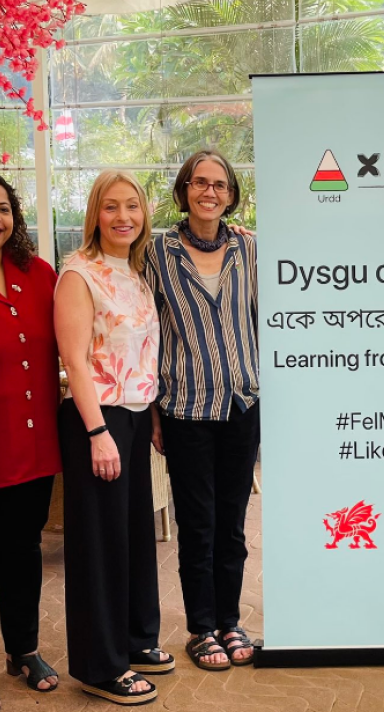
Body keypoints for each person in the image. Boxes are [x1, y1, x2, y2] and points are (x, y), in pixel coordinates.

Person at [55, 170, 174, 705]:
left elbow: (138, 354)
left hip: (130, 417)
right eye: (111, 206)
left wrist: (146, 415)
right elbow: (76, 362)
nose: (123, 216)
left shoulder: (136, 272)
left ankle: (134, 639)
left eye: (133, 205)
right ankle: (101, 666)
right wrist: (98, 432)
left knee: (131, 535)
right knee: (98, 547)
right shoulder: (78, 274)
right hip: (95, 419)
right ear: (94, 215)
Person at [145, 150, 260, 671]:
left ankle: (230, 621)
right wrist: (151, 411)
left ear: (232, 194)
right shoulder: (156, 252)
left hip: (243, 403)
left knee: (232, 522)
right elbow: (144, 333)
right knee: (199, 525)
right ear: (184, 190)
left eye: (219, 184)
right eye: (198, 182)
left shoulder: (251, 249)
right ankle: (201, 627)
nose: (209, 192)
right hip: (185, 406)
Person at [0, 176, 60, 695]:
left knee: (22, 548)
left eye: (1, 209)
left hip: (33, 446)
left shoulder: (39, 274)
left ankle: (24, 650)